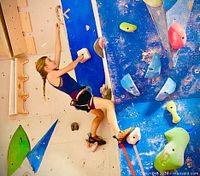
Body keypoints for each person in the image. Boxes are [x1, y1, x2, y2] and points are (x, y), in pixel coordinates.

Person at [35, 23, 133, 145]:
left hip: (79, 99)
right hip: (82, 98)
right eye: (49, 61)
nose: (52, 60)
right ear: (45, 68)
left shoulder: (53, 72)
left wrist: (57, 32)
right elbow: (69, 68)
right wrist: (79, 58)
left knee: (100, 115)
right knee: (109, 105)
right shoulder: (51, 76)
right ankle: (118, 134)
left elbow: (58, 50)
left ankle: (92, 136)